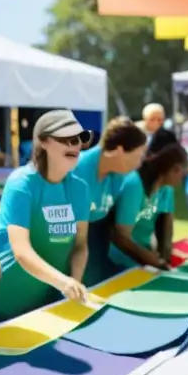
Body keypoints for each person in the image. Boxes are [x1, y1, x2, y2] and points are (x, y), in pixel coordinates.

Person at [0, 110, 91, 322]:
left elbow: (80, 244)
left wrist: (74, 281)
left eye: (80, 138)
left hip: (43, 298)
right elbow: (21, 251)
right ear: (43, 142)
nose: (75, 145)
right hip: (2, 298)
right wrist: (64, 283)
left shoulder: (80, 188)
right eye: (66, 139)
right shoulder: (21, 183)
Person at [65, 116, 146, 285]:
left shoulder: (120, 177)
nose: (139, 164)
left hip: (90, 244)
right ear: (119, 150)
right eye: (138, 155)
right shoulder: (74, 172)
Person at [110, 143, 188, 269]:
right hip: (120, 261)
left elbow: (166, 230)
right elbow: (121, 236)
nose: (182, 178)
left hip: (144, 258)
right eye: (182, 173)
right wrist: (153, 261)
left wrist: (165, 260)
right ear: (174, 169)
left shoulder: (166, 189)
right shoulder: (134, 184)